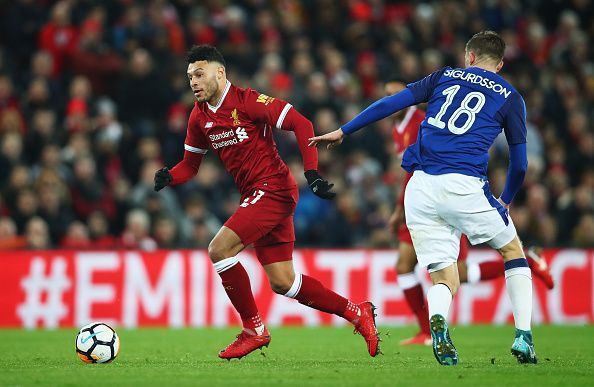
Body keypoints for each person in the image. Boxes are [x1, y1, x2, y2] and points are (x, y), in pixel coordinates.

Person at [310, 31, 537, 365]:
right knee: (513, 251)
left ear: (469, 56)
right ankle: (523, 337)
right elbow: (520, 162)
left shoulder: (444, 76)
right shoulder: (511, 97)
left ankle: (439, 322)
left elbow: (391, 103)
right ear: (500, 64)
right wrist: (505, 199)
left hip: (419, 188)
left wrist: (344, 130)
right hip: (463, 183)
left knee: (444, 277)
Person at [154, 45, 379, 360]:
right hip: (256, 195)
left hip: (273, 189)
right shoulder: (198, 117)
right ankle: (358, 312)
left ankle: (253, 330)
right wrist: (169, 176)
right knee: (283, 282)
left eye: (200, 74)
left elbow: (302, 124)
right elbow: (190, 167)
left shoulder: (249, 101)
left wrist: (312, 172)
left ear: (220, 72)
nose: (193, 82)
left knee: (219, 249)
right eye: (190, 76)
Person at [383, 77, 554, 346]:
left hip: (435, 196)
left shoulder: (419, 120)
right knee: (413, 267)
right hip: (425, 197)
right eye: (386, 96)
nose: (390, 102)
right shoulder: (398, 126)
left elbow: (417, 168)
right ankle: (426, 329)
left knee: (451, 274)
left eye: (394, 95)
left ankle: (527, 261)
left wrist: (397, 209)